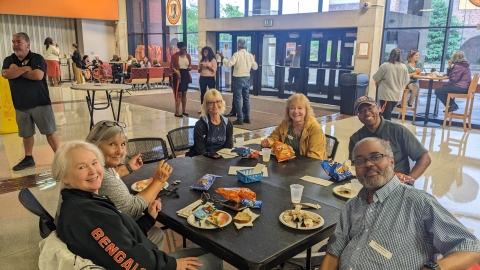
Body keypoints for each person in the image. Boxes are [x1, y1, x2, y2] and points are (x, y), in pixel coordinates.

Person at [53, 141, 224, 270]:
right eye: (82, 167)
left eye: (94, 163)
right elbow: (126, 256)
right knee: (215, 260)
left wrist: (148, 218)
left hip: (148, 259)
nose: (93, 171)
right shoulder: (88, 214)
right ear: (65, 177)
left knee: (209, 253)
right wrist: (171, 265)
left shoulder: (82, 201)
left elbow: (121, 236)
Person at [319, 137, 480, 270]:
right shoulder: (352, 206)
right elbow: (334, 253)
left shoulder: (418, 202)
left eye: (375, 157)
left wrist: (433, 268)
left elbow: (471, 247)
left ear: (391, 161)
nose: (368, 164)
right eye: (360, 160)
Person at [84, 120, 168, 248]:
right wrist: (159, 180)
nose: (120, 151)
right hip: (103, 241)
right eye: (112, 144)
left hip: (95, 227)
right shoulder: (96, 173)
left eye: (123, 144)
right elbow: (132, 209)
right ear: (94, 145)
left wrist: (128, 167)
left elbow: (110, 175)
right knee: (156, 234)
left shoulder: (93, 166)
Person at [1, 32, 59, 171]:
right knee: (26, 133)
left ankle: (60, 158)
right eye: (13, 42)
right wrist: (27, 69)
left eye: (18, 42)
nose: (15, 45)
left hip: (40, 102)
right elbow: (5, 74)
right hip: (21, 104)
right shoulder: (9, 60)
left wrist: (18, 70)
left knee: (49, 131)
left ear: (28, 44)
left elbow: (38, 75)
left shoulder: (37, 58)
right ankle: (28, 158)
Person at [349, 96, 431, 179]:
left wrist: (408, 180)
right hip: (370, 183)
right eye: (362, 111)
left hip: (396, 181)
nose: (367, 113)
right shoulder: (355, 138)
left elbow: (424, 158)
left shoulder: (398, 130)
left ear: (378, 108)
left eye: (370, 108)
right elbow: (354, 166)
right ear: (358, 116)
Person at [261, 93, 327, 159]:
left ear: (306, 110)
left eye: (300, 108)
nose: (295, 111)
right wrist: (268, 142)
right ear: (288, 110)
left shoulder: (315, 129)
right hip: (287, 163)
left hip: (306, 166)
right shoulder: (286, 123)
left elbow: (314, 160)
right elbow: (274, 138)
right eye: (292, 108)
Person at [219, 39, 258, 125]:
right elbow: (255, 67)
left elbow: (229, 64)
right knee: (246, 98)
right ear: (245, 46)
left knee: (237, 99)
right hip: (247, 78)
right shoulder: (250, 55)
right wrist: (254, 60)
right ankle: (247, 117)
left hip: (238, 78)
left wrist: (223, 58)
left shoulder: (236, 54)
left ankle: (240, 118)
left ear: (238, 46)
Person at [188, 89, 233, 156]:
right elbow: (200, 151)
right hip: (205, 160)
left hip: (222, 158)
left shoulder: (227, 123)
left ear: (222, 103)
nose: (215, 105)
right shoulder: (200, 125)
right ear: (206, 105)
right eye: (211, 103)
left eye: (218, 101)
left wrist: (221, 157)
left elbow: (228, 146)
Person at [372, 48, 409, 120]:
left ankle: (386, 129)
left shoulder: (385, 65)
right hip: (397, 95)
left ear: (390, 55)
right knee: (388, 113)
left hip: (386, 94)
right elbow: (406, 81)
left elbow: (376, 78)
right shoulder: (404, 67)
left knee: (386, 114)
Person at [170, 42, 192, 117]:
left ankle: (184, 110)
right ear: (179, 48)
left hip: (185, 74)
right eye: (183, 49)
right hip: (178, 75)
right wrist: (175, 70)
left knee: (184, 93)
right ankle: (177, 111)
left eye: (185, 49)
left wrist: (190, 68)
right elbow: (171, 67)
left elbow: (189, 65)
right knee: (178, 93)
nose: (184, 51)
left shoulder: (188, 56)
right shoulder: (174, 56)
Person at [198, 46, 217, 112]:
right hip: (203, 78)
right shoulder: (202, 60)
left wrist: (208, 66)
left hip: (210, 78)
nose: (204, 53)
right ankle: (203, 108)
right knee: (203, 93)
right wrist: (200, 68)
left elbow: (214, 70)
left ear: (209, 52)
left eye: (206, 51)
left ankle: (213, 107)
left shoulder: (213, 60)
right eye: (203, 51)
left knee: (212, 93)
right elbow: (199, 70)